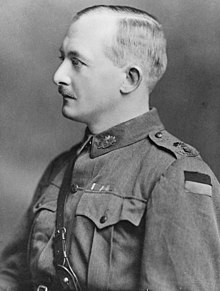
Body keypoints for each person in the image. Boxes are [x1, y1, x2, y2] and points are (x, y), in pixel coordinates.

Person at [0, 4, 220, 291]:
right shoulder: (62, 168)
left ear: (129, 79)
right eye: (62, 58)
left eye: (77, 62)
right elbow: (12, 276)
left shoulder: (174, 173)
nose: (59, 75)